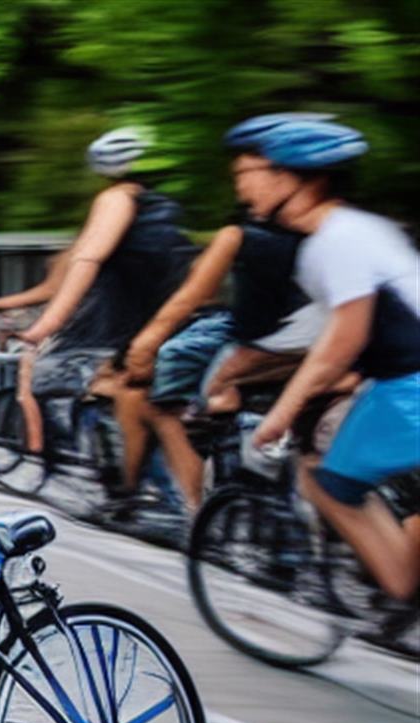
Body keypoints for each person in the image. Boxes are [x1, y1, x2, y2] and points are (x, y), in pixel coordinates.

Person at [112, 119, 335, 508]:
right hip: (319, 344)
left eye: (245, 173)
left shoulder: (238, 235)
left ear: (283, 175)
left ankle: (202, 510)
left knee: (164, 401)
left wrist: (144, 344)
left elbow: (191, 295)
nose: (239, 184)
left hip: (265, 341)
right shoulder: (334, 228)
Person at [242, 117, 420, 602]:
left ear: (305, 182)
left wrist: (279, 415)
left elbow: (344, 338)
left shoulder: (333, 242)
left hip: (408, 389)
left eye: (261, 174)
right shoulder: (361, 229)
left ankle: (404, 588)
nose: (246, 188)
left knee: (330, 481)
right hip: (396, 383)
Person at [0, 128, 196, 453]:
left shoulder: (114, 200)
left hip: (117, 327)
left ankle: (38, 447)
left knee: (38, 375)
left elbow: (85, 261)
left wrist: (44, 326)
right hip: (165, 321)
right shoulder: (165, 211)